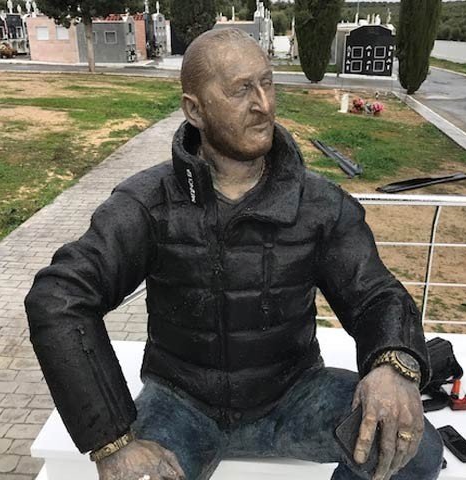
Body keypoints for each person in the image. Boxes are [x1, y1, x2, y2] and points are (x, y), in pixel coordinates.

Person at [25, 29, 443, 480]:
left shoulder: (321, 205)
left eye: (267, 83)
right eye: (241, 89)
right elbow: (59, 297)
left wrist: (393, 364)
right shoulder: (147, 203)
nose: (263, 104)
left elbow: (376, 294)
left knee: (412, 447)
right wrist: (112, 440)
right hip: (180, 405)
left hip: (295, 396)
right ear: (194, 110)